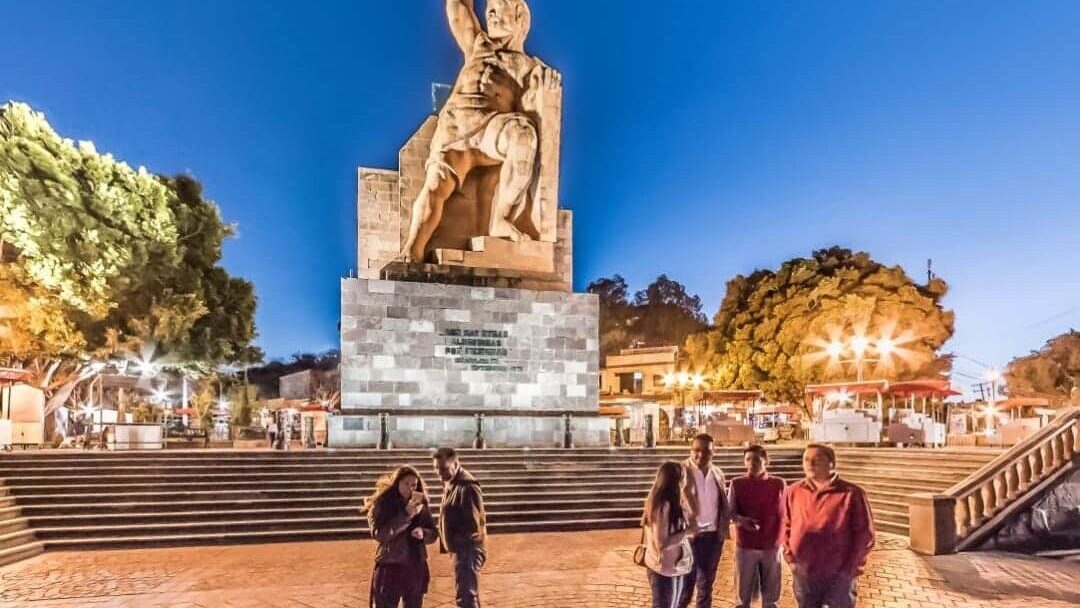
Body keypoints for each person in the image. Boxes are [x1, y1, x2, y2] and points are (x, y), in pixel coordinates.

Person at [783, 444, 875, 608]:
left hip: (839, 573)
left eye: (817, 459)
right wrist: (790, 559)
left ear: (831, 463)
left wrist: (849, 568)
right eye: (806, 459)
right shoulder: (794, 491)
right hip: (804, 571)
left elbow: (864, 535)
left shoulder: (851, 493)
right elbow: (786, 525)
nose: (810, 463)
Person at [366, 466, 439, 608]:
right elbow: (380, 534)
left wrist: (423, 533)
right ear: (397, 482)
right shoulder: (382, 503)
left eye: (414, 485)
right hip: (390, 565)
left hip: (416, 565)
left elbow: (433, 533)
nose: (411, 489)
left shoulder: (420, 504)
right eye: (406, 484)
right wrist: (406, 516)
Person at [677, 434, 731, 608]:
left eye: (706, 451)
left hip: (713, 537)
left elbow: (723, 504)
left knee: (706, 586)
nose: (701, 454)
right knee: (685, 587)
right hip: (688, 537)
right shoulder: (680, 471)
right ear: (690, 450)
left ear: (713, 452)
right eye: (696, 450)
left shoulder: (717, 473)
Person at [729, 445, 786, 608]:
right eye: (748, 459)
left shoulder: (779, 484)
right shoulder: (737, 484)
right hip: (746, 546)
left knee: (771, 597)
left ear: (766, 460)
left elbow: (785, 512)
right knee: (742, 595)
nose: (752, 463)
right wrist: (741, 520)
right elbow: (729, 512)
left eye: (756, 459)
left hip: (772, 545)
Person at [433, 447, 487, 608]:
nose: (438, 473)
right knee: (467, 594)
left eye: (443, 468)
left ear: (456, 464)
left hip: (468, 550)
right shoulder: (453, 482)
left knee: (466, 596)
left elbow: (473, 524)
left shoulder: (467, 486)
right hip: (462, 550)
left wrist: (457, 544)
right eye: (435, 468)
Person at [643, 461, 698, 608]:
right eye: (684, 476)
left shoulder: (672, 501)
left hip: (674, 567)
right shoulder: (663, 506)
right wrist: (686, 532)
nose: (686, 480)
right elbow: (662, 543)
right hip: (664, 569)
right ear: (677, 479)